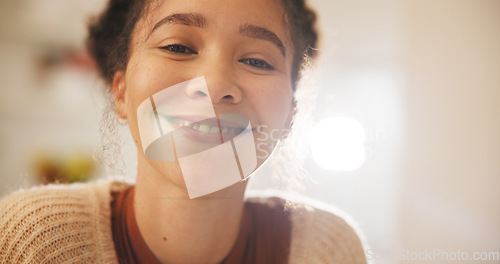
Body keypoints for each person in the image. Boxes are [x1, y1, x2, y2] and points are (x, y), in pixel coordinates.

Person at [0, 0, 367, 263]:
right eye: (178, 47)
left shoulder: (326, 249)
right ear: (122, 92)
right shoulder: (33, 240)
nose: (214, 84)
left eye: (256, 60)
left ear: (290, 115)